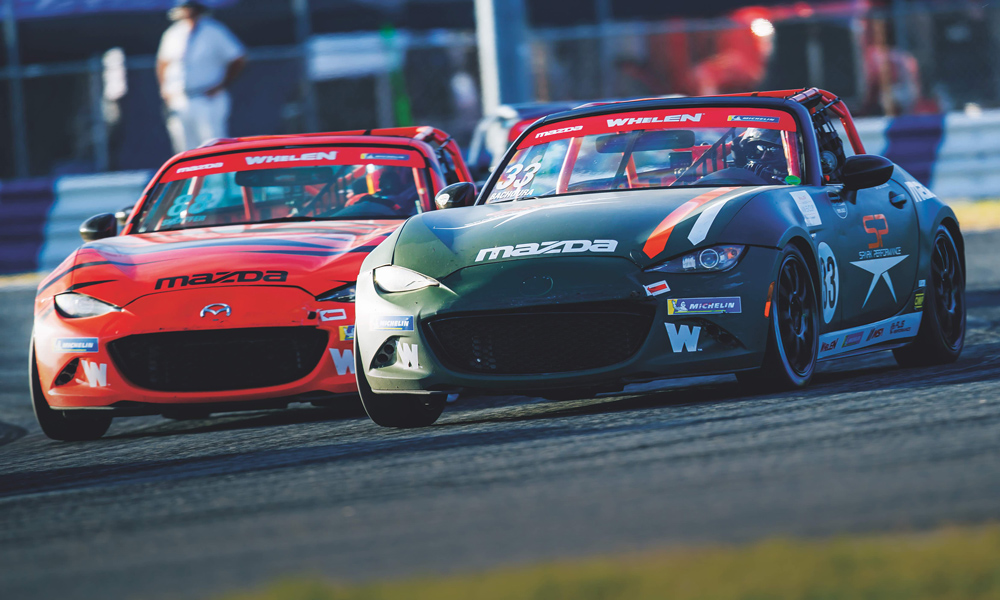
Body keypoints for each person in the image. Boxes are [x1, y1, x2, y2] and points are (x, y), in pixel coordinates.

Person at [157, 1, 246, 153]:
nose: (188, 12)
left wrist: (221, 85)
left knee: (213, 146)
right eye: (185, 8)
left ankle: (219, 170)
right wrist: (164, 89)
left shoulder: (214, 31)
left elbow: (238, 58)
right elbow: (163, 62)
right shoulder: (173, 33)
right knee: (184, 149)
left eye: (191, 8)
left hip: (207, 98)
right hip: (179, 99)